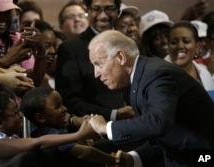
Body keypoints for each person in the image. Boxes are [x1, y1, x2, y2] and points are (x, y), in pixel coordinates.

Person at [87, 30, 214, 167]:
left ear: (121, 57)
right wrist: (135, 158)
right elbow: (164, 135)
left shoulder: (156, 74)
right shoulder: (143, 75)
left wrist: (106, 127)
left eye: (99, 64)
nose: (96, 74)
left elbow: (158, 122)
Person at [56, 0, 134, 124]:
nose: (103, 16)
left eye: (109, 8)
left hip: (139, 128)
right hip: (95, 133)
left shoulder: (133, 46)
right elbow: (69, 100)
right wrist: (113, 114)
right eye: (96, 9)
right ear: (87, 9)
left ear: (118, 11)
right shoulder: (71, 49)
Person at [0, 91, 96, 167]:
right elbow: (37, 143)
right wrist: (79, 135)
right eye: (15, 112)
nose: (21, 116)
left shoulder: (12, 136)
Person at [21, 87, 131, 167]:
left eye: (62, 104)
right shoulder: (49, 134)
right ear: (41, 118)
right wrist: (114, 160)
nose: (64, 109)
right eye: (57, 107)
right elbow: (83, 153)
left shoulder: (54, 125)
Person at [166, 21, 214, 91]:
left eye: (186, 41)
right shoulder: (157, 76)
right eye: (174, 42)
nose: (180, 46)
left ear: (197, 47)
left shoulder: (205, 74)